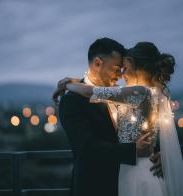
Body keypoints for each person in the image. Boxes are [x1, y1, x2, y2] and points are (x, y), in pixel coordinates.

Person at [56, 42, 183, 196]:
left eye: (124, 68)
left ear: (137, 68)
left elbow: (90, 92)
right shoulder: (73, 101)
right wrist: (135, 151)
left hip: (138, 175)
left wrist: (161, 156)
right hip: (96, 187)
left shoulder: (135, 93)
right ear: (97, 63)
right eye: (118, 68)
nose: (121, 75)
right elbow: (87, 149)